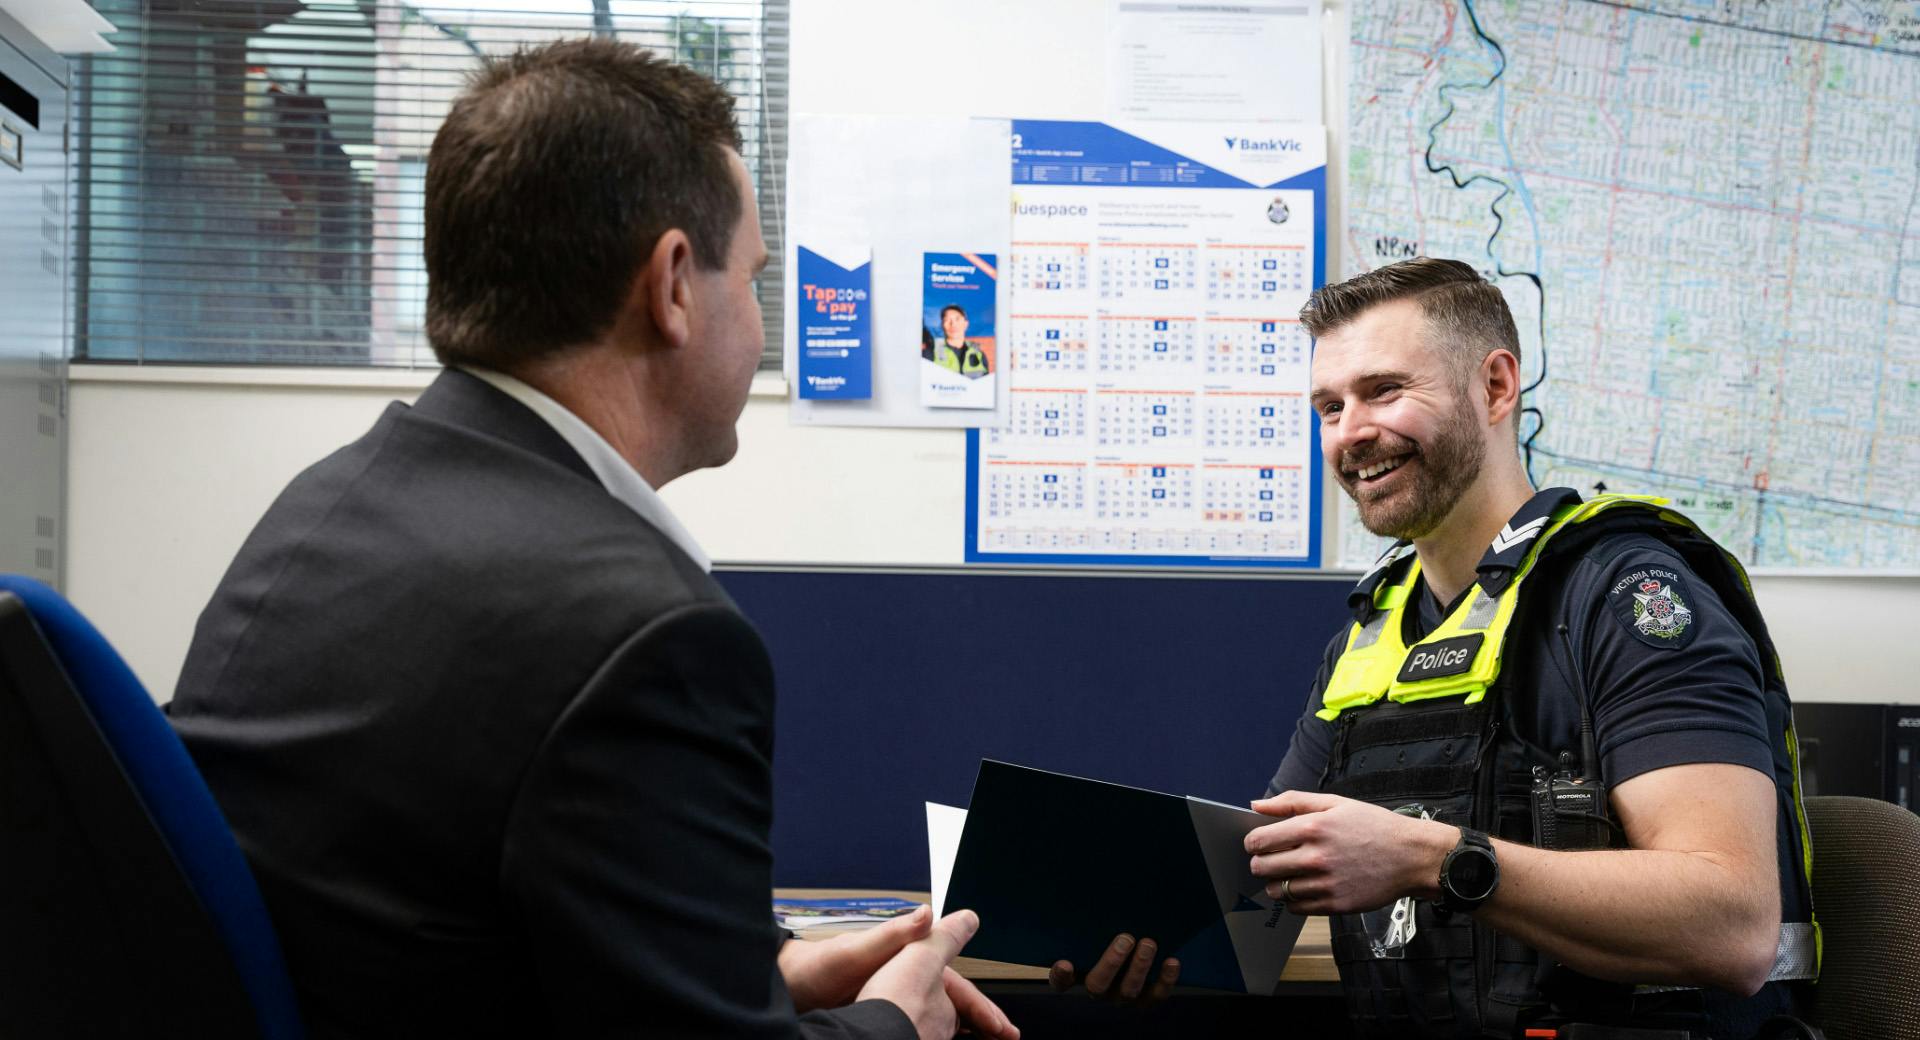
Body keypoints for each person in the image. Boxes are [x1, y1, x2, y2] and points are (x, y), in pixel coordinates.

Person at [167, 40, 1014, 1040]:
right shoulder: (642, 635)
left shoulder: (331, 508)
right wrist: (893, 1023)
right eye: (751, 276)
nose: (759, 320)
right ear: (671, 287)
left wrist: (768, 971)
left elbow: (459, 926)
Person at [1056, 258, 1817, 1039]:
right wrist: (1155, 938)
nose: (1350, 431)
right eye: (1328, 406)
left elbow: (1734, 927)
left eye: (1383, 390)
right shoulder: (1373, 630)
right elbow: (1265, 889)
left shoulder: (1626, 595)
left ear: (1495, 387)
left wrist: (1435, 860)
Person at [921, 304, 991, 378]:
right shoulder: (931, 351)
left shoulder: (978, 353)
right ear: (942, 325)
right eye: (947, 320)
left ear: (966, 324)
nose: (953, 324)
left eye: (957, 319)